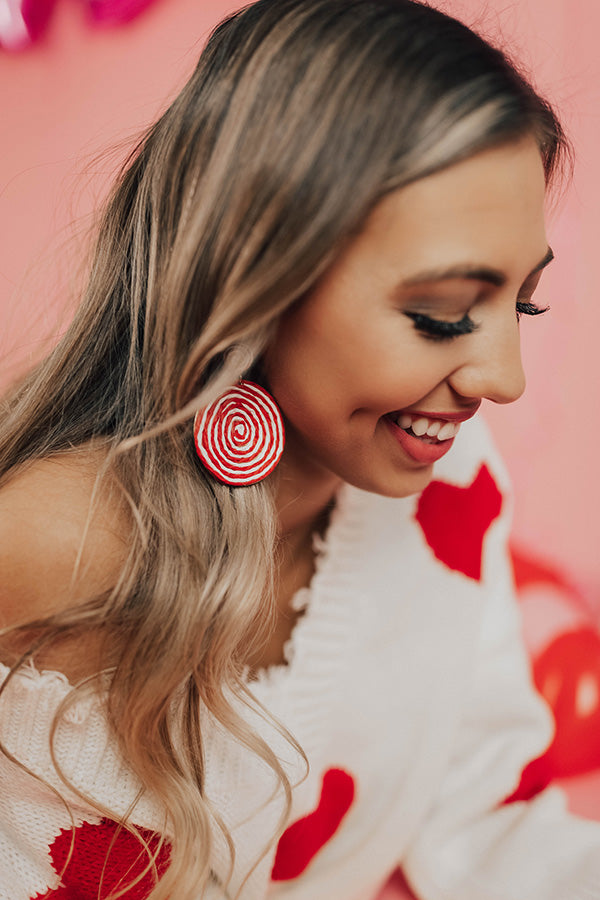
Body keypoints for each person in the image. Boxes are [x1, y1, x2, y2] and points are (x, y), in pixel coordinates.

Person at [1, 0, 599, 898]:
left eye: (523, 303)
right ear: (253, 276)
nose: (504, 379)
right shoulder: (52, 541)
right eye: (441, 313)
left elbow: (484, 811)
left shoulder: (455, 489)